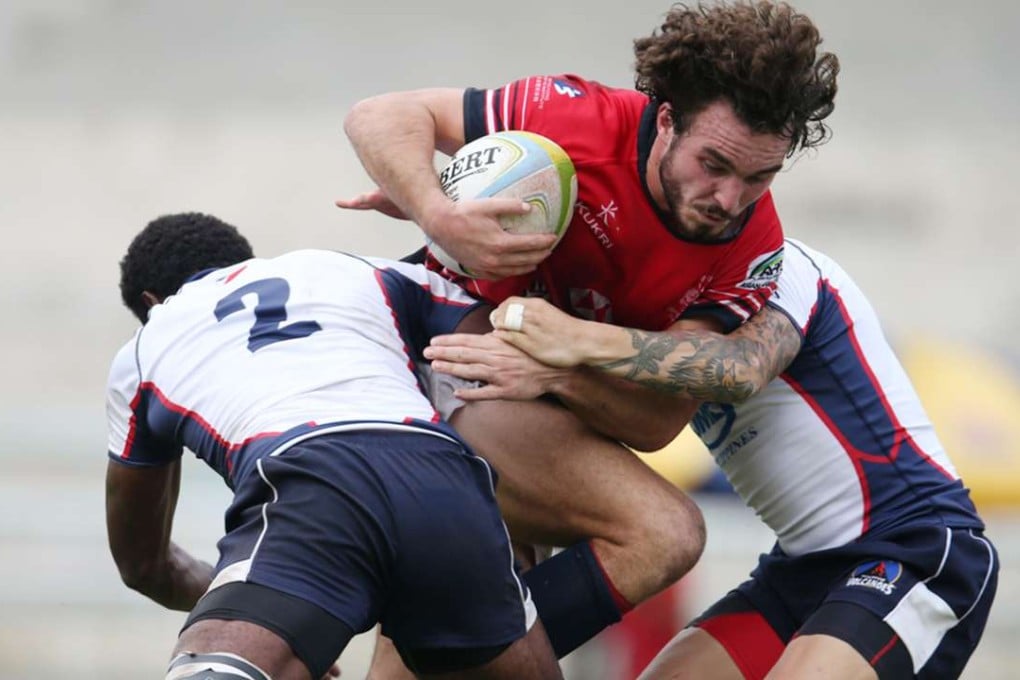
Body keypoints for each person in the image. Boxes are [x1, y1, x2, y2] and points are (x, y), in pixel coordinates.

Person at [337, 3, 839, 666]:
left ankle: (458, 652)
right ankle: (474, 655)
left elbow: (657, 421)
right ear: (665, 121)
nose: (729, 198)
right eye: (714, 163)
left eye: (760, 176)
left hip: (527, 395)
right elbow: (378, 115)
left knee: (497, 587)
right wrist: (439, 211)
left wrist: (560, 370)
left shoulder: (751, 247)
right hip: (444, 342)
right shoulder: (577, 120)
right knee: (663, 531)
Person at [437, 238, 999, 679]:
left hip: (915, 550)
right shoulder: (639, 319)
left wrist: (575, 344)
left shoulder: (776, 268)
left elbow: (737, 370)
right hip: (795, 572)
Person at [104, 213, 565, 680]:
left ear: (151, 302)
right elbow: (503, 346)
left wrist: (267, 612)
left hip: (312, 481)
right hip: (444, 481)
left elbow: (144, 564)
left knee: (211, 668)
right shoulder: (361, 270)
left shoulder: (145, 347)